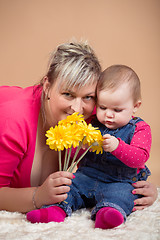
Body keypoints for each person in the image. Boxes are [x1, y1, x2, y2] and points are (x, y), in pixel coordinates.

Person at [0, 41, 157, 215]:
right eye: (68, 94)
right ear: (47, 86)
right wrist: (37, 196)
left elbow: (128, 145)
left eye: (88, 97)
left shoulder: (93, 115)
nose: (77, 108)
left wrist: (139, 187)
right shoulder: (13, 121)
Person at [26, 64, 154, 229]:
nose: (108, 114)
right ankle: (54, 211)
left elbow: (139, 158)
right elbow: (72, 153)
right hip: (85, 177)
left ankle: (108, 214)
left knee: (123, 196)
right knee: (67, 190)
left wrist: (118, 147)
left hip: (118, 181)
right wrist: (79, 145)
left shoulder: (139, 128)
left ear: (135, 106)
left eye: (117, 109)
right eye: (102, 107)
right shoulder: (91, 122)